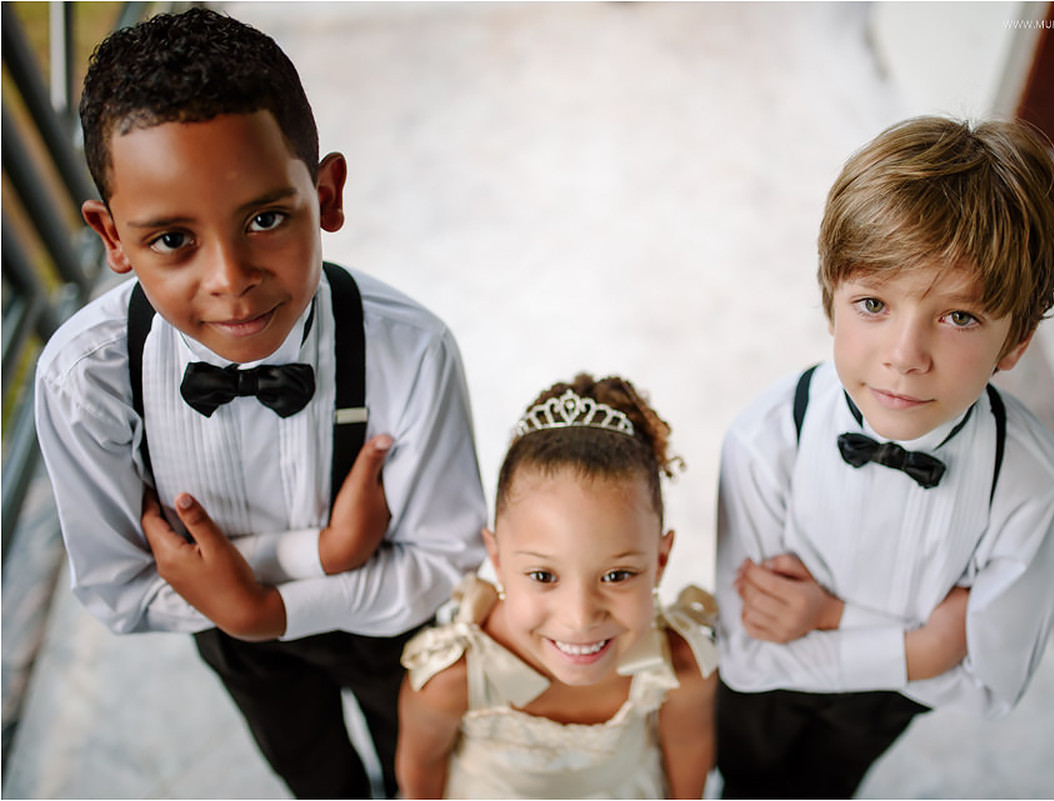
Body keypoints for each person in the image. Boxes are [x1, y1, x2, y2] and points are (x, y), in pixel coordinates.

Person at [33, 8, 487, 798]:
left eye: (267, 219)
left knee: (429, 768)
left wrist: (261, 603)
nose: (230, 277)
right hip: (235, 642)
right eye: (172, 238)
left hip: (392, 631)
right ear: (112, 237)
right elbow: (119, 586)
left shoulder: (409, 350)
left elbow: (443, 563)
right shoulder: (86, 378)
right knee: (310, 771)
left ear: (328, 193)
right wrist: (313, 563)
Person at [713, 116, 1054, 798]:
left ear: (1017, 340)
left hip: (882, 710)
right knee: (743, 777)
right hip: (766, 703)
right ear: (830, 298)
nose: (904, 356)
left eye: (959, 316)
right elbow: (749, 657)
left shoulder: (1033, 487)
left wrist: (829, 617)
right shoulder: (765, 441)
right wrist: (928, 645)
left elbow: (990, 685)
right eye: (873, 302)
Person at [397, 374, 718, 799]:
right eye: (544, 576)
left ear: (660, 560)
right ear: (496, 560)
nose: (580, 618)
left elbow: (689, 753)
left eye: (617, 575)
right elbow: (421, 774)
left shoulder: (680, 668)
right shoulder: (450, 680)